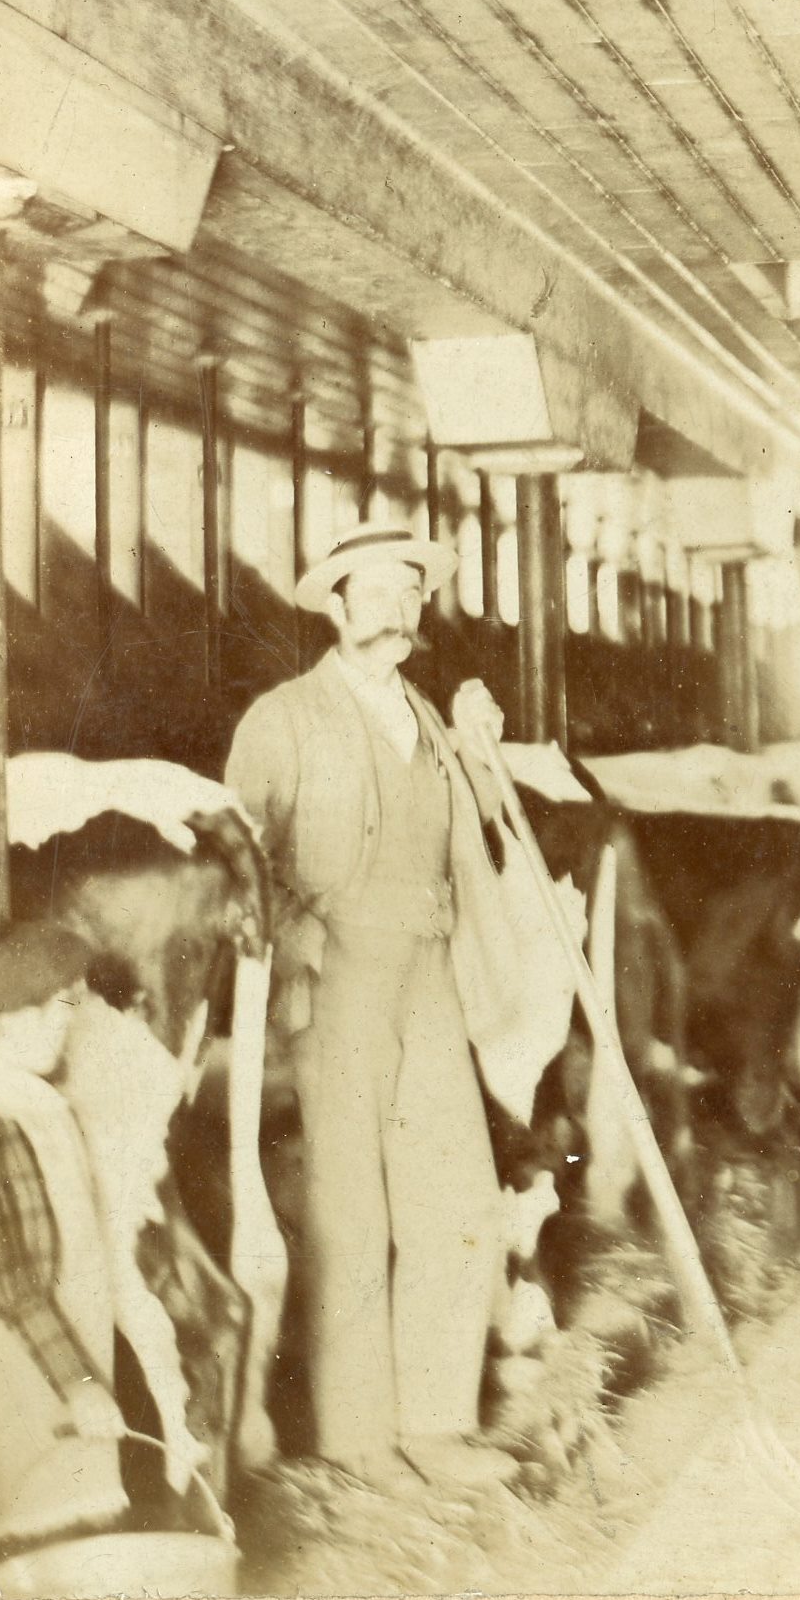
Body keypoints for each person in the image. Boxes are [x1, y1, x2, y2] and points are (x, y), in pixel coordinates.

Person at [224, 519, 519, 1494]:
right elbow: (237, 859)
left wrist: (485, 751)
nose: (396, 607)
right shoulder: (283, 718)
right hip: (335, 975)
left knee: (458, 1195)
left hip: (427, 969)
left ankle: (436, 1423)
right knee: (351, 1208)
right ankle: (358, 1437)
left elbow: (484, 840)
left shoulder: (431, 719)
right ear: (336, 605)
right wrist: (302, 944)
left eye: (410, 591)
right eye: (376, 589)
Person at [0, 912, 134, 1559]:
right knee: (43, 1549)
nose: (65, 1022)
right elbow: (12, 1279)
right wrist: (79, 1386)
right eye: (50, 1009)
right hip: (30, 1390)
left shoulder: (28, 1101)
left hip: (51, 1380)